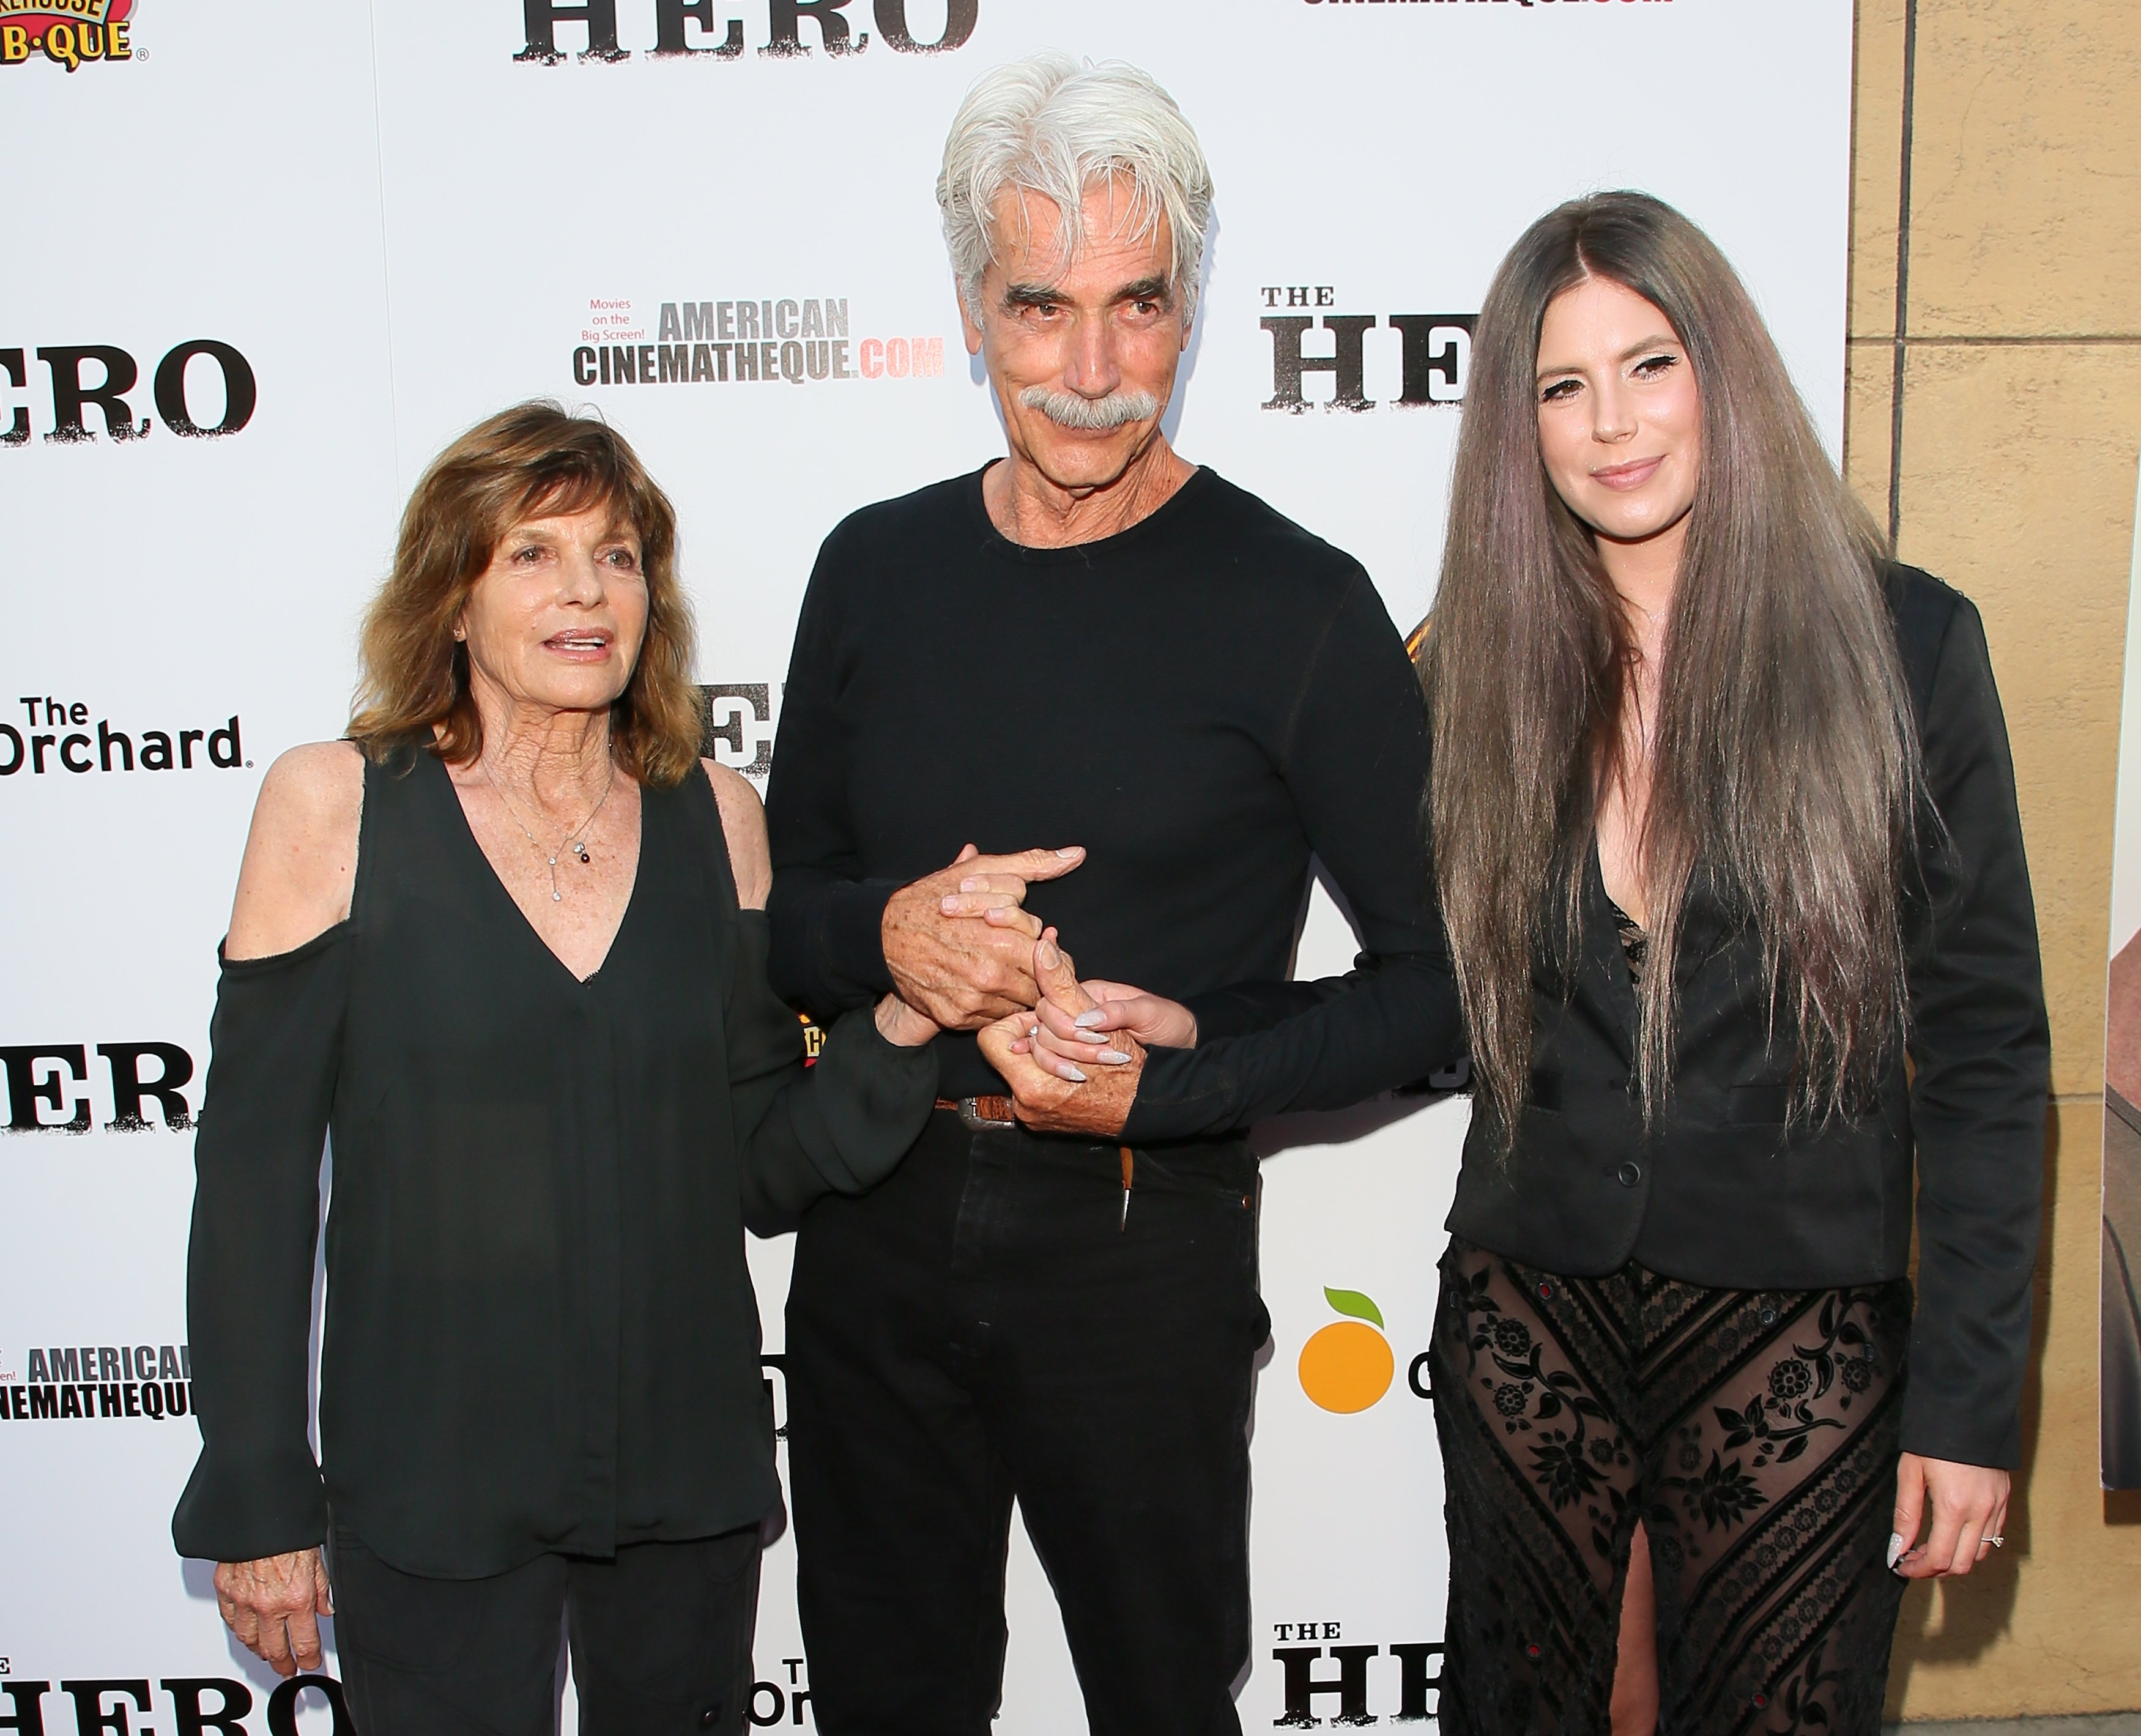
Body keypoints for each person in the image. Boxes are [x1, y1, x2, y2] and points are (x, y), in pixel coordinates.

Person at [763, 52, 1462, 1736]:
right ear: (967, 307)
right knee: (884, 1698)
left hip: (1146, 1239)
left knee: (1160, 1697)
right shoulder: (871, 565)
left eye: (1137, 307)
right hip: (878, 1218)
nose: (1090, 372)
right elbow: (779, 921)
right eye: (1039, 307)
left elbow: (1445, 983)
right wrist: (888, 936)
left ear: (1194, 305)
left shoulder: (1297, 603)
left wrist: (1188, 1062)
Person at [171, 403, 942, 1736]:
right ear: (452, 599)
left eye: (620, 553)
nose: (587, 589)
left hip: (681, 1479)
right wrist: (256, 1495)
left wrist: (908, 1022)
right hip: (428, 1484)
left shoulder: (719, 818)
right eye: (532, 553)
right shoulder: (335, 806)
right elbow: (250, 1180)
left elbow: (760, 1162)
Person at [1417, 193, 2047, 1735]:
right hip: (1530, 1319)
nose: (1611, 424)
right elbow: (1383, 989)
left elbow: (1982, 1057)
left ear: (1725, 372)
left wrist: (1966, 1409)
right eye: (1561, 387)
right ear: (1519, 426)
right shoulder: (1461, 672)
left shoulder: (1902, 649)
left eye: (1649, 365)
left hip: (1797, 1333)